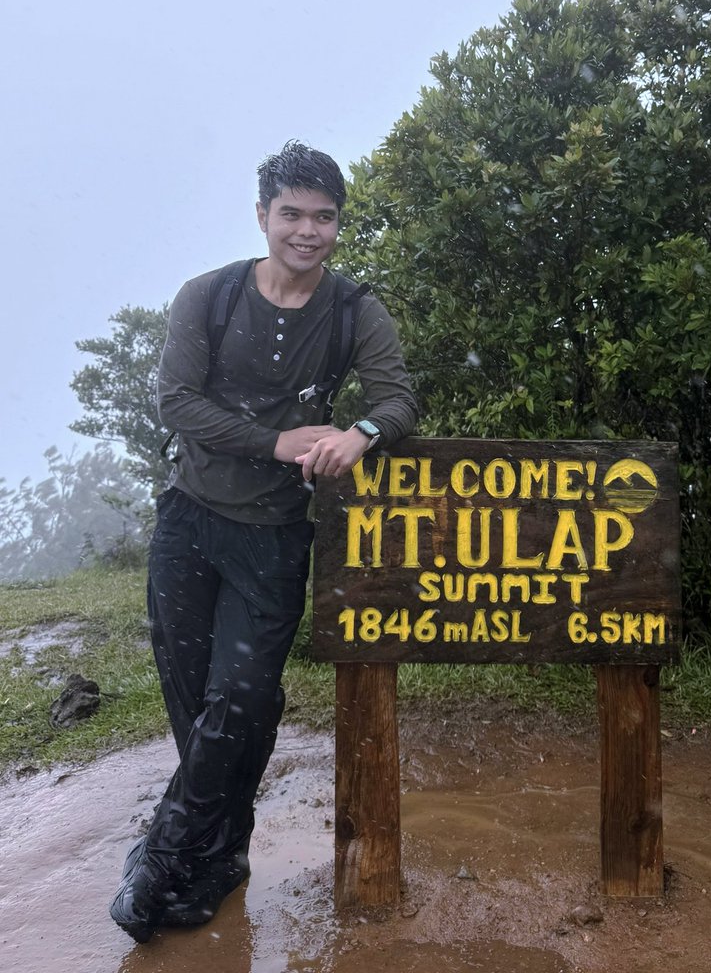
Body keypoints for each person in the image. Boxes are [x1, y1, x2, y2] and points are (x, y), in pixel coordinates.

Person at [109, 141, 417, 943]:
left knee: (243, 698)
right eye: (292, 214)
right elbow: (178, 403)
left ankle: (163, 856)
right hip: (189, 523)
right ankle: (221, 861)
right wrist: (283, 441)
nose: (308, 231)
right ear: (262, 217)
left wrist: (363, 430)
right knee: (194, 703)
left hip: (276, 536)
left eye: (324, 217)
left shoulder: (354, 309)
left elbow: (397, 398)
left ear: (339, 226)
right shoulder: (207, 296)